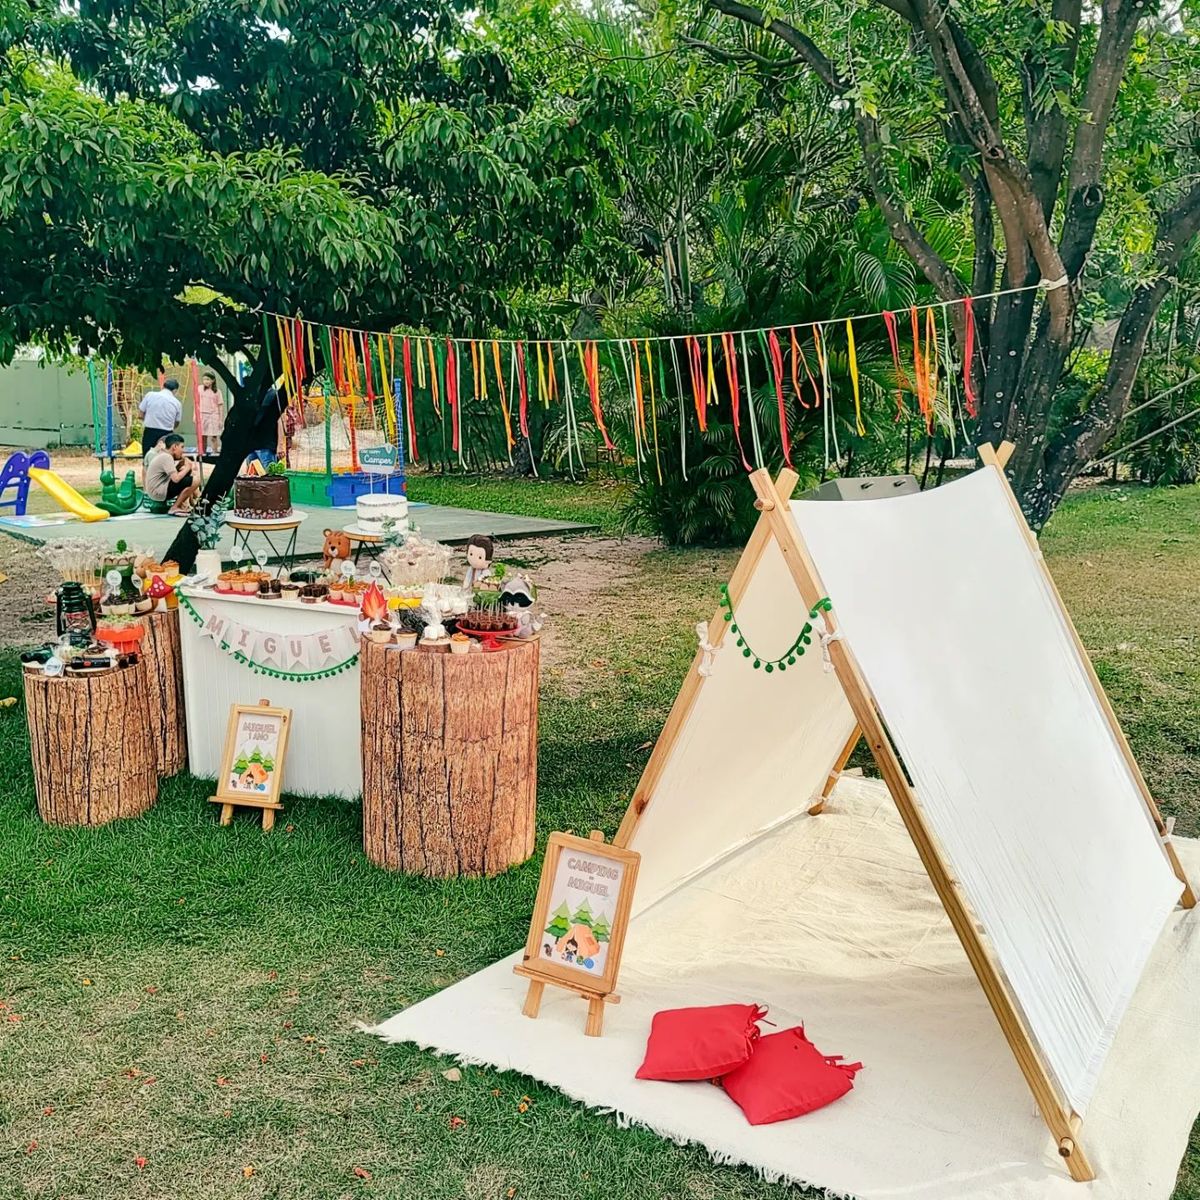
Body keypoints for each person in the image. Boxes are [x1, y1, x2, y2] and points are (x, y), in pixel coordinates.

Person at [145, 433, 200, 516]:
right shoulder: (166, 457)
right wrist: (188, 467)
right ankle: (174, 507)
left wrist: (182, 467)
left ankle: (183, 505)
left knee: (188, 475)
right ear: (174, 447)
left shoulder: (163, 455)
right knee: (196, 480)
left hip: (158, 489)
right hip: (159, 492)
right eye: (182, 447)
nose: (183, 451)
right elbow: (176, 479)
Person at [139, 377, 183, 457]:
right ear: (175, 391)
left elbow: (140, 415)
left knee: (147, 459)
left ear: (163, 386)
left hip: (150, 431)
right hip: (167, 434)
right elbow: (176, 423)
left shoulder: (150, 395)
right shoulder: (177, 403)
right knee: (165, 459)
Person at [197, 371, 225, 455]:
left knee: (214, 435)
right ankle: (203, 452)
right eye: (204, 379)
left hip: (213, 415)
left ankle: (214, 452)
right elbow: (196, 402)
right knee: (203, 435)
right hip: (202, 414)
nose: (206, 381)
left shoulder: (217, 391)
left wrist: (221, 419)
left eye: (208, 379)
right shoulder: (199, 389)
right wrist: (195, 415)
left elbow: (220, 406)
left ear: (212, 380)